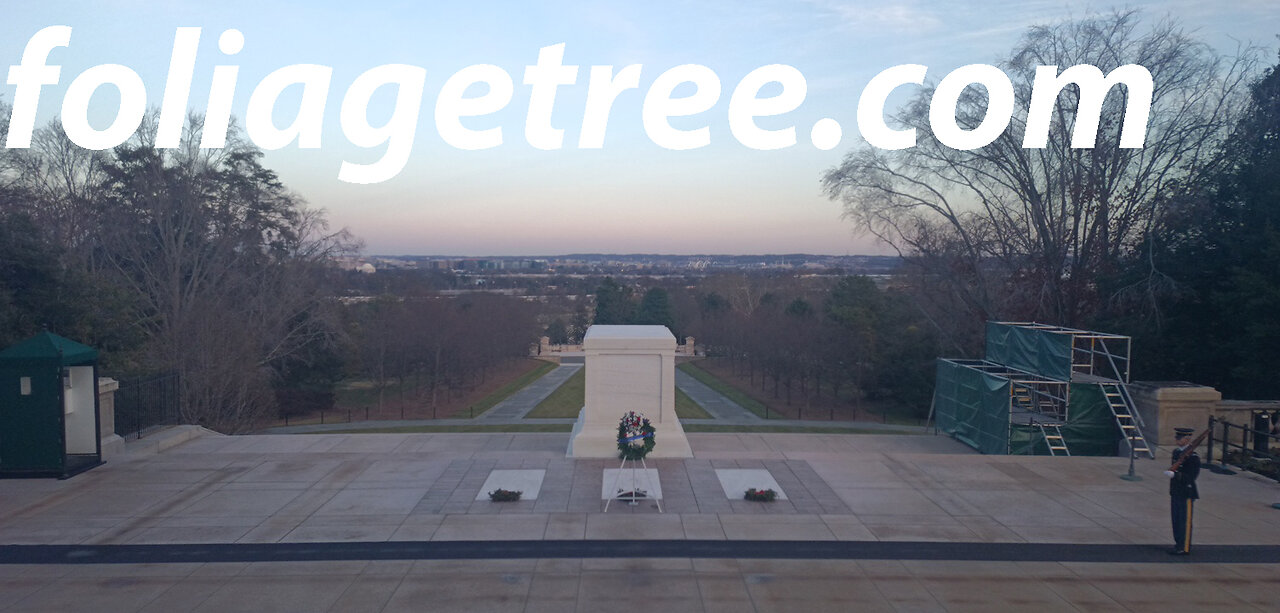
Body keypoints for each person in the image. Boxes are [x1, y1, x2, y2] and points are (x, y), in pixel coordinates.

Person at [1163, 427, 1200, 555]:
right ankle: (1178, 543)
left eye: (1179, 438)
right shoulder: (1177, 452)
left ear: (1187, 439)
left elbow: (1191, 476)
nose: (1177, 440)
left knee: (1184, 521)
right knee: (1176, 520)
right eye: (1177, 437)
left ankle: (1184, 547)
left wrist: (1176, 475)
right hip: (1176, 491)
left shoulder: (1193, 457)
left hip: (1186, 492)